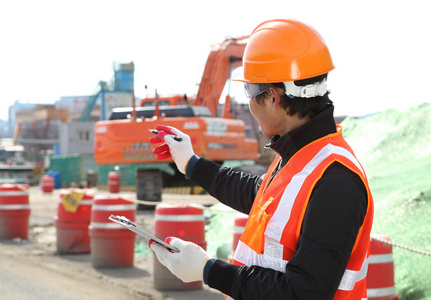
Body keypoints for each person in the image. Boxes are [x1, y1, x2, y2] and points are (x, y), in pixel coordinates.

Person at [149, 19, 374, 300]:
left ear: (273, 97)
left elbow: (305, 293)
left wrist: (210, 271)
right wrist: (191, 163)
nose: (249, 103)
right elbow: (260, 197)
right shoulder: (303, 157)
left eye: (249, 92)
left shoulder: (337, 180)